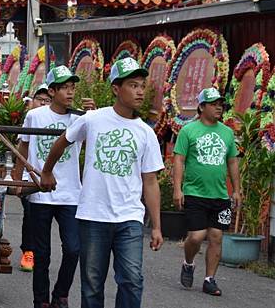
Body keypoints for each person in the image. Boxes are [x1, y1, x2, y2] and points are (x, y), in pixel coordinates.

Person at [41, 57, 164, 308]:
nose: (140, 91)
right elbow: (63, 141)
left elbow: (150, 181)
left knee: (131, 279)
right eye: (133, 85)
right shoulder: (93, 119)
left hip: (129, 217)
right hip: (93, 216)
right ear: (116, 89)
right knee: (92, 284)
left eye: (142, 85)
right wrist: (47, 172)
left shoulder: (146, 133)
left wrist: (157, 226)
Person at [13, 67, 83, 308]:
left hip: (71, 193)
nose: (70, 92)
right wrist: (17, 179)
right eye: (65, 87)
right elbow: (23, 146)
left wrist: (94, 115)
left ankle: (61, 294)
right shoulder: (36, 116)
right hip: (40, 193)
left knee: (74, 249)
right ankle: (40, 300)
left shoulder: (79, 118)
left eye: (72, 87)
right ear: (51, 91)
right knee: (41, 254)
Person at [173, 87, 241, 296]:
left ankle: (209, 279)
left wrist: (237, 190)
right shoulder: (188, 131)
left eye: (220, 103)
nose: (219, 107)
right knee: (196, 237)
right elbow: (179, 160)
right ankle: (189, 262)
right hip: (194, 193)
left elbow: (232, 162)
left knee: (217, 236)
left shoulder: (227, 133)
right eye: (213, 104)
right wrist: (177, 189)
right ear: (201, 107)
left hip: (220, 196)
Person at [16, 83, 52, 273]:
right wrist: (17, 179)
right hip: (28, 176)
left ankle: (39, 251)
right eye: (40, 99)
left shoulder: (60, 120)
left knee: (43, 217)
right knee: (30, 212)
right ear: (32, 100)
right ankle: (28, 251)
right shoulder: (30, 119)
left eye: (48, 100)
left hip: (51, 178)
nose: (43, 103)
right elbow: (22, 149)